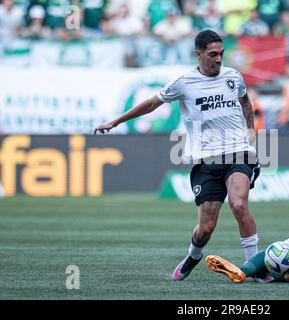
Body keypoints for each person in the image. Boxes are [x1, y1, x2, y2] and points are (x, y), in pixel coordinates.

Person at [94, 30, 261, 281]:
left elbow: (246, 103)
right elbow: (152, 103)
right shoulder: (184, 82)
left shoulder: (233, 76)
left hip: (238, 154)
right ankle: (193, 256)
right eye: (213, 54)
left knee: (238, 204)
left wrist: (251, 135)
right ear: (199, 54)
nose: (218, 60)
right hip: (206, 161)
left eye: (221, 54)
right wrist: (116, 121)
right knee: (205, 229)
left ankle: (254, 267)